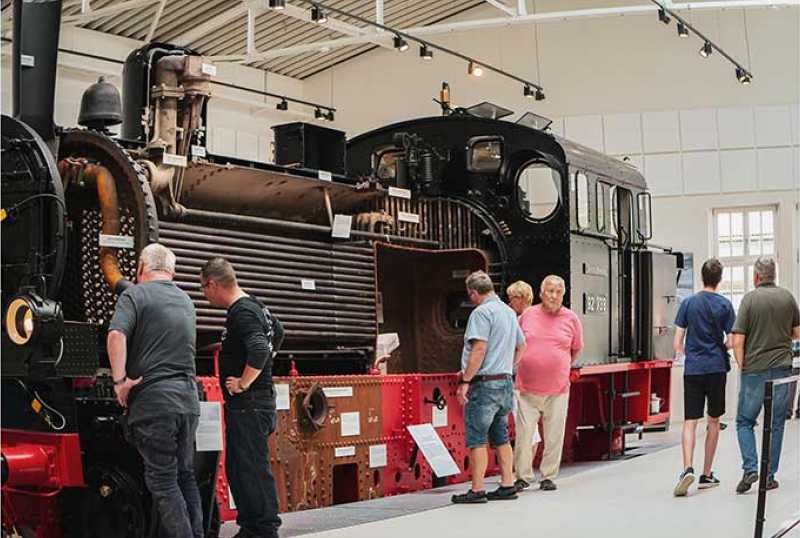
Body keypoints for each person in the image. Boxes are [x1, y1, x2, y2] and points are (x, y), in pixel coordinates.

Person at [107, 243, 203, 538]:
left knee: (163, 482)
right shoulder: (186, 300)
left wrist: (119, 381)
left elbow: (116, 335)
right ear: (171, 271)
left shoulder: (134, 294)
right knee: (185, 476)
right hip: (188, 401)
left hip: (155, 402)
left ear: (140, 268)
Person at [200, 257, 284, 538]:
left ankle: (263, 530)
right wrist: (262, 367)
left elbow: (259, 348)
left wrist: (244, 382)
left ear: (212, 283)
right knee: (240, 467)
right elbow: (278, 332)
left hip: (249, 404)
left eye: (204, 288)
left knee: (251, 468)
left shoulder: (242, 312)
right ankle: (252, 526)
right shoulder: (257, 305)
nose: (205, 295)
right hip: (256, 404)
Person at [451, 270, 526, 504]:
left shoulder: (481, 313)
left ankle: (477, 489)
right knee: (501, 436)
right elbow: (521, 346)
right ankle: (507, 484)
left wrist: (465, 380)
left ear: (473, 293)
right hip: (504, 381)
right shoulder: (508, 312)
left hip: (484, 385)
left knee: (477, 438)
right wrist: (505, 366)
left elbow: (479, 349)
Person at [508, 276, 583, 492]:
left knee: (554, 434)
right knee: (524, 435)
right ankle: (523, 476)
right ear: (541, 293)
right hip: (526, 389)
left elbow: (576, 349)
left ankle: (548, 476)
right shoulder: (527, 315)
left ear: (563, 294)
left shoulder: (571, 318)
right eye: (549, 291)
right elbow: (517, 343)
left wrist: (558, 364)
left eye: (558, 291)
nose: (553, 295)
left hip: (557, 389)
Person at [732, 256, 800, 494]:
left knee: (744, 421)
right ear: (774, 275)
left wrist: (742, 365)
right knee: (776, 423)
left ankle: (751, 467)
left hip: (754, 371)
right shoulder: (787, 298)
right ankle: (768, 476)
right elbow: (797, 333)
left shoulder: (750, 300)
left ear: (756, 276)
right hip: (782, 370)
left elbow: (737, 339)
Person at [671, 258, 735, 497]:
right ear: (719, 279)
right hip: (716, 368)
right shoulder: (725, 305)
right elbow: (733, 339)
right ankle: (706, 474)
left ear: (702, 277)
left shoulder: (688, 303)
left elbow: (677, 343)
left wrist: (692, 352)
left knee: (690, 421)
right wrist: (721, 348)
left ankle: (687, 467)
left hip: (693, 369)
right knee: (713, 421)